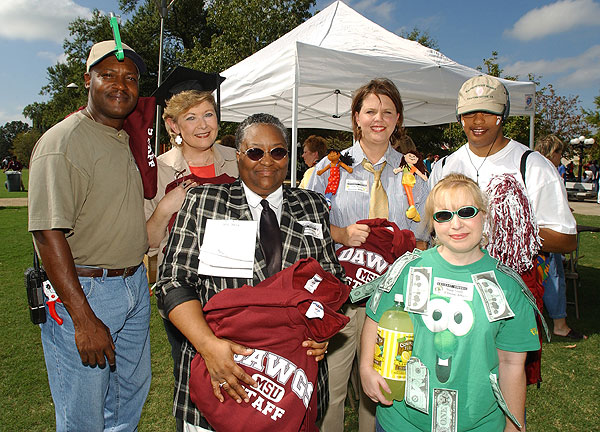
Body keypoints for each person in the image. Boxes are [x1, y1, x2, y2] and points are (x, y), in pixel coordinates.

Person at [154, 113, 345, 431]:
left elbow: (331, 278)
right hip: (219, 377)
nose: (266, 161)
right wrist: (209, 346)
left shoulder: (312, 205)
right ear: (238, 156)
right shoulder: (205, 202)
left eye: (278, 151)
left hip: (290, 386)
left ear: (289, 155)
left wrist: (321, 330)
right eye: (255, 151)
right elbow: (173, 282)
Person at [27, 40, 151, 431]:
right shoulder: (63, 142)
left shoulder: (120, 138)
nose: (120, 85)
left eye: (130, 78)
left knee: (126, 400)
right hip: (86, 291)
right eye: (108, 75)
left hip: (132, 285)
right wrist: (83, 318)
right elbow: (48, 234)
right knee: (83, 415)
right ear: (87, 80)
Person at [360, 173, 540, 432]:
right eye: (443, 215)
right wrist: (366, 367)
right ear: (432, 224)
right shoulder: (407, 270)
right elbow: (375, 318)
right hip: (401, 422)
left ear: (484, 215)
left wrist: (515, 425)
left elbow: (512, 364)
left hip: (478, 424)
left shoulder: (507, 286)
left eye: (466, 212)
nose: (456, 224)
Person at [429, 75, 577, 385]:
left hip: (509, 291)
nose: (478, 120)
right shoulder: (444, 167)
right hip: (454, 292)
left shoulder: (532, 165)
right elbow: (432, 231)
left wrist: (513, 234)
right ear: (459, 117)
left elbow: (566, 239)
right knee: (454, 377)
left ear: (503, 114)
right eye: (470, 112)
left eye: (488, 112)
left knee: (507, 379)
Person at [307, 78, 429, 432]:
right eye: (371, 111)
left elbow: (422, 241)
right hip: (338, 300)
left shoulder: (416, 177)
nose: (379, 118)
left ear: (398, 119)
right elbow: (304, 228)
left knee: (381, 390)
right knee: (329, 389)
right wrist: (341, 234)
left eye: (387, 112)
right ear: (356, 117)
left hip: (393, 304)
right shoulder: (326, 171)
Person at [145, 89, 239, 432]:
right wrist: (164, 208)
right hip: (184, 293)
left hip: (237, 289)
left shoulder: (240, 157)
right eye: (191, 118)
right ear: (173, 125)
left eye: (209, 115)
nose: (203, 125)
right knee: (193, 374)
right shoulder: (159, 170)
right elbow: (148, 241)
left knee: (239, 368)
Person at [534, 135, 587, 340]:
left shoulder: (533, 165)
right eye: (560, 153)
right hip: (548, 233)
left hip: (539, 231)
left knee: (541, 276)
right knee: (554, 277)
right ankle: (559, 323)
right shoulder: (546, 170)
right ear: (553, 152)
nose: (560, 157)